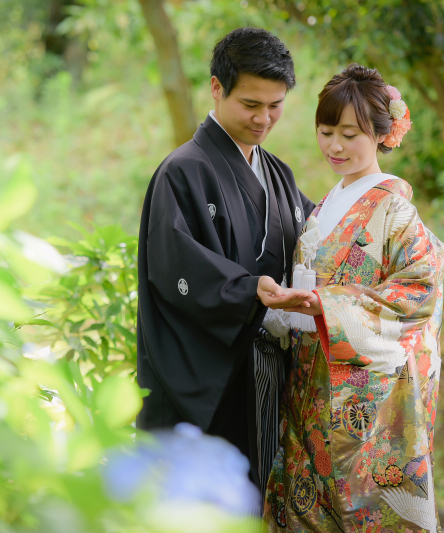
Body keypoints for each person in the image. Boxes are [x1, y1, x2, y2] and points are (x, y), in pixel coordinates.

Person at [263, 64, 444, 532]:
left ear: (383, 134)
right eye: (326, 132)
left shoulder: (395, 209)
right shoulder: (325, 206)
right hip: (309, 378)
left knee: (365, 507)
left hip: (365, 394)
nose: (335, 147)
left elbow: (417, 290)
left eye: (350, 134)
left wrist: (326, 305)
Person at [136, 27, 315, 494]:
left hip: (266, 375)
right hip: (210, 378)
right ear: (216, 88)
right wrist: (245, 289)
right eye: (251, 105)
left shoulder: (276, 173)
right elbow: (174, 267)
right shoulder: (183, 171)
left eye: (275, 106)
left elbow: (321, 234)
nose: (264, 119)